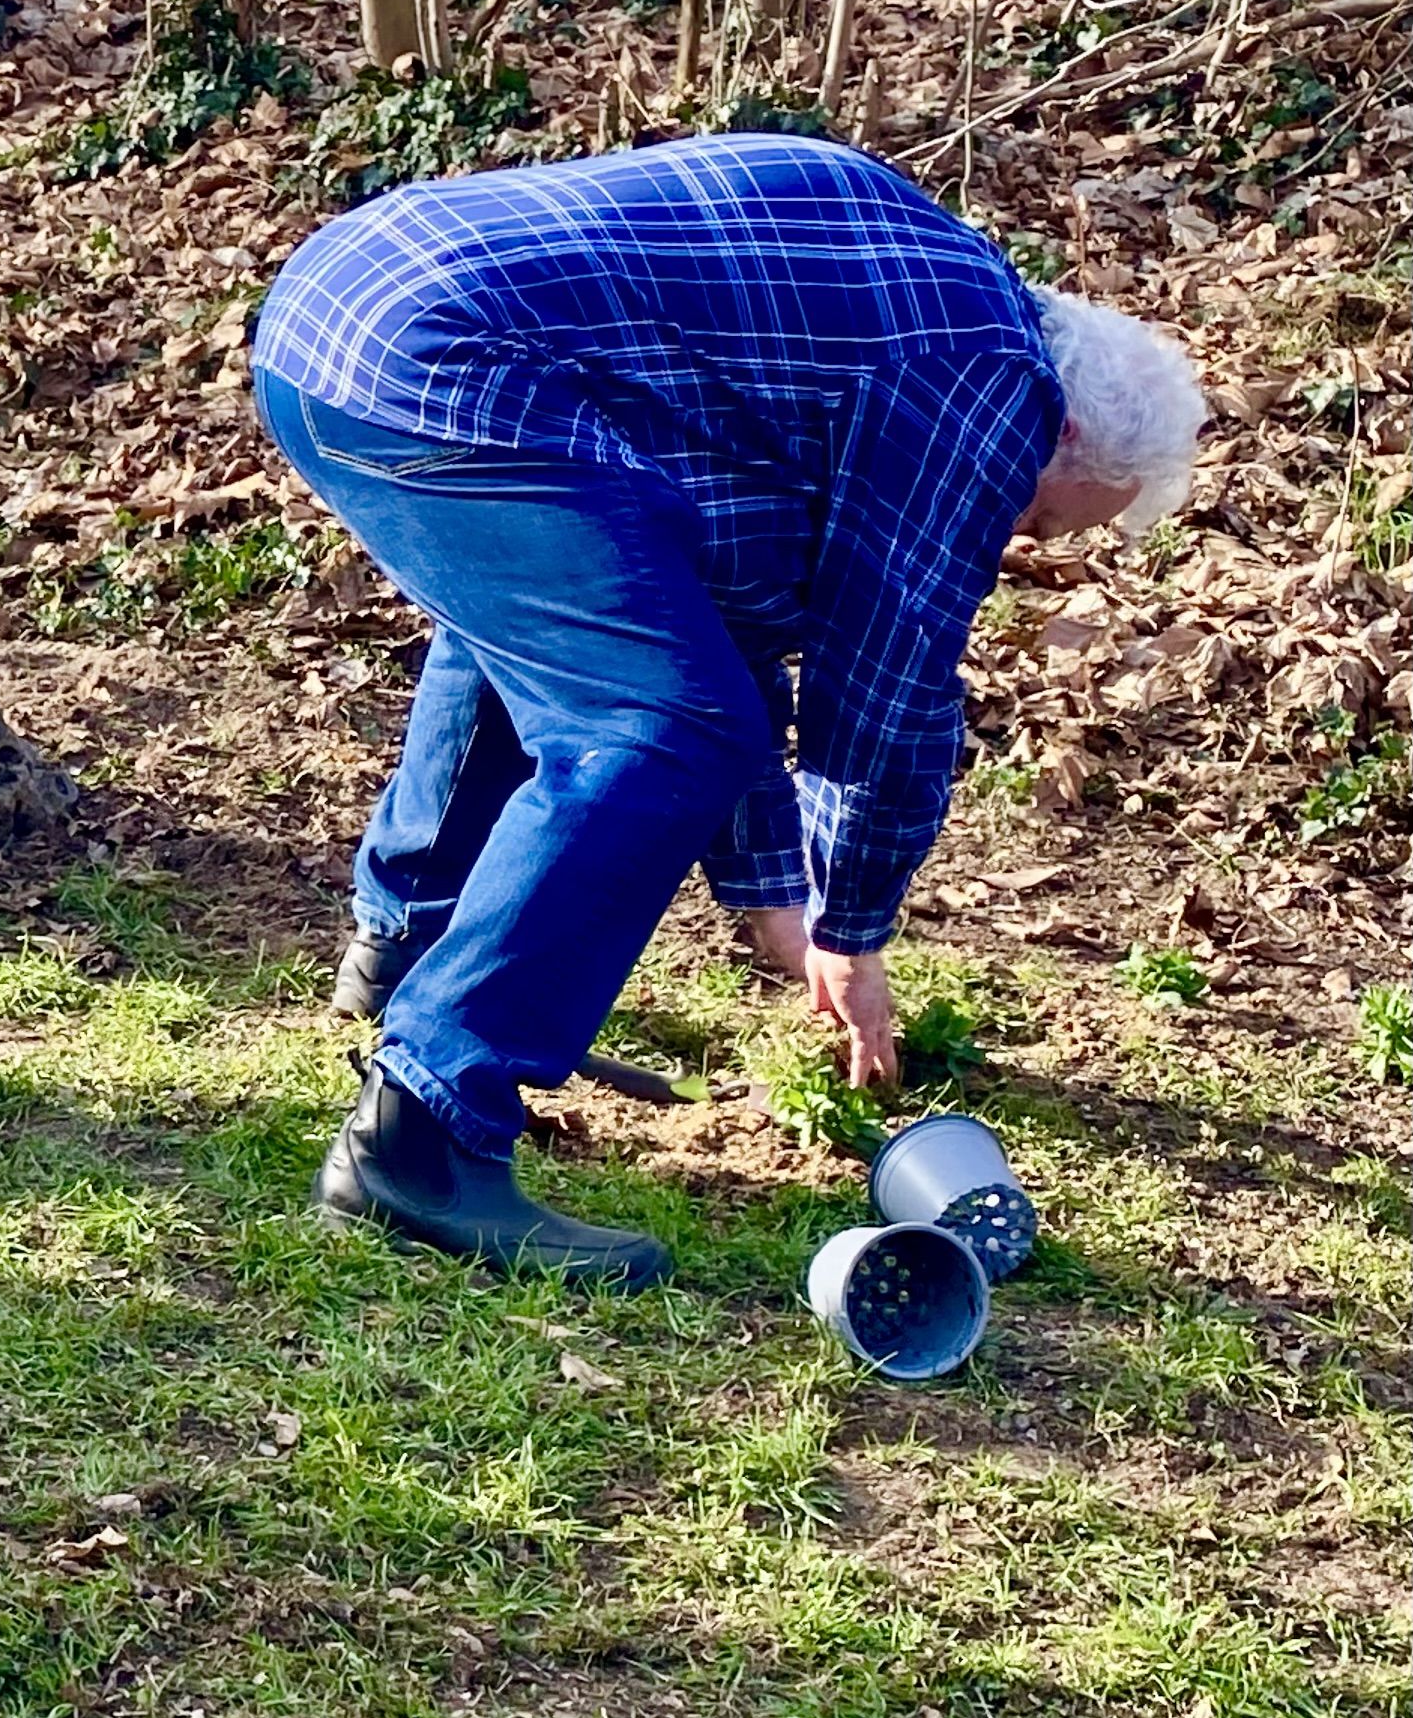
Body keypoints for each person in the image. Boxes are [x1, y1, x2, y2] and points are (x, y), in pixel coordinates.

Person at [251, 132, 1205, 1288]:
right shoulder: (984, 393)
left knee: (554, 626)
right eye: (1044, 519)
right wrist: (852, 931)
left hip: (332, 310)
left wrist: (773, 899)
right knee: (658, 725)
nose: (1020, 542)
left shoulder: (913, 292)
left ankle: (406, 948)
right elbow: (885, 691)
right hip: (437, 366)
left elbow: (718, 614)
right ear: (1058, 432)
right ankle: (423, 1127)